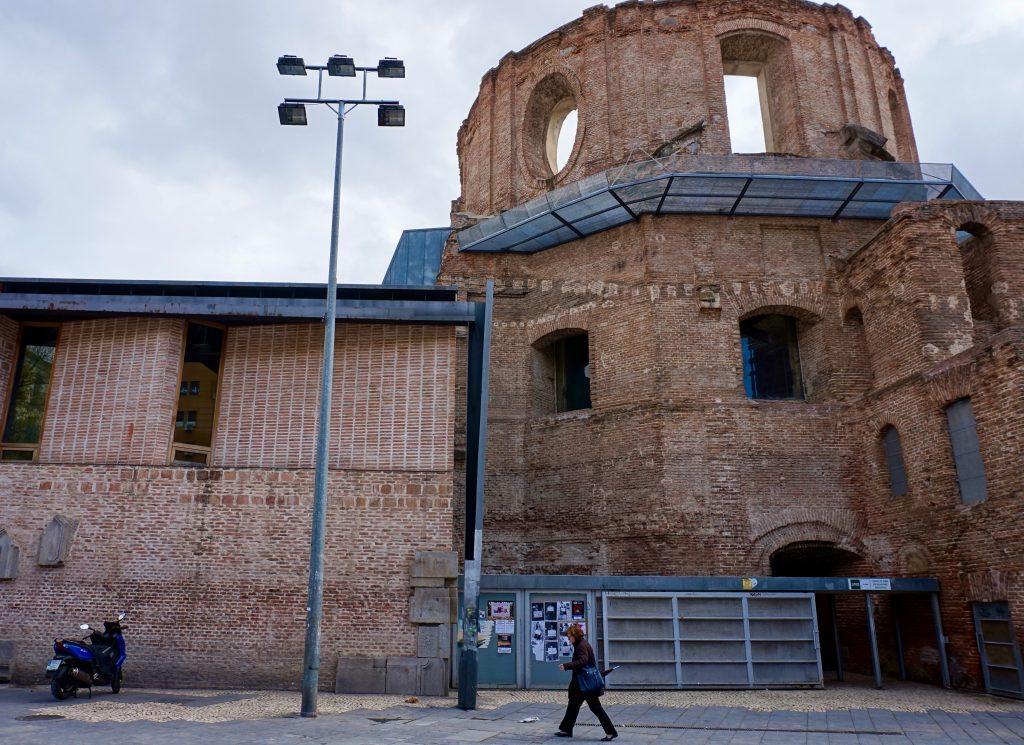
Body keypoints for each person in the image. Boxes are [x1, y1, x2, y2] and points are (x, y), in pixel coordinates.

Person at [555, 623, 617, 741]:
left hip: (585, 684)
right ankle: (566, 729)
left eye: (569, 636)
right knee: (573, 705)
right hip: (581, 683)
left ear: (575, 636)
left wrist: (566, 666)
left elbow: (583, 661)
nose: (568, 638)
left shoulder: (581, 646)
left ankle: (611, 732)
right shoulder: (580, 644)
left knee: (596, 708)